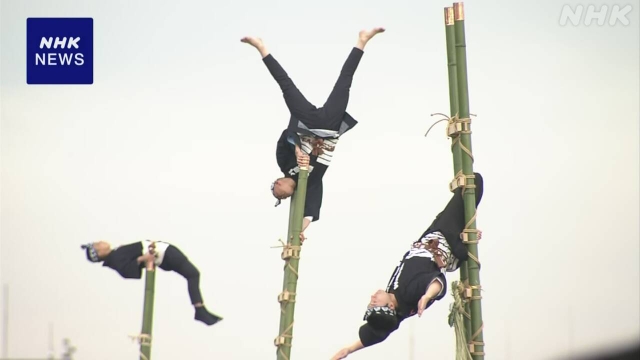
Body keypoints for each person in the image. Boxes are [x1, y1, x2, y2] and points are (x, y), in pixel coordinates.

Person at [241, 27, 385, 239]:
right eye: (279, 194)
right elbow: (310, 212)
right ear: (290, 195)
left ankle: (261, 48)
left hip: (306, 123)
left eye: (274, 187)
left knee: (286, 85)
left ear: (279, 179)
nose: (277, 188)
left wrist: (298, 149)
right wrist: (299, 230)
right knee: (345, 82)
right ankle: (362, 41)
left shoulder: (284, 164)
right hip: (330, 128)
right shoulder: (311, 183)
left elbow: (285, 136)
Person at [330, 173, 484, 359]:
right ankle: (462, 242)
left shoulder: (396, 306)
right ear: (389, 306)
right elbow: (437, 284)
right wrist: (427, 297)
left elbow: (378, 333)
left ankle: (462, 241)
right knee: (473, 181)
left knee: (464, 191)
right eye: (375, 302)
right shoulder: (409, 293)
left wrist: (349, 350)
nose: (373, 297)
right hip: (446, 237)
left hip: (433, 235)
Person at [80, 239, 222, 326]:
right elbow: (128, 272)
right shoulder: (115, 259)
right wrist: (143, 258)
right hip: (164, 254)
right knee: (193, 274)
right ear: (100, 253)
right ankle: (199, 310)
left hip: (164, 252)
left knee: (193, 274)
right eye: (98, 245)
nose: (101, 242)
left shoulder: (115, 255)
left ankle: (200, 309)